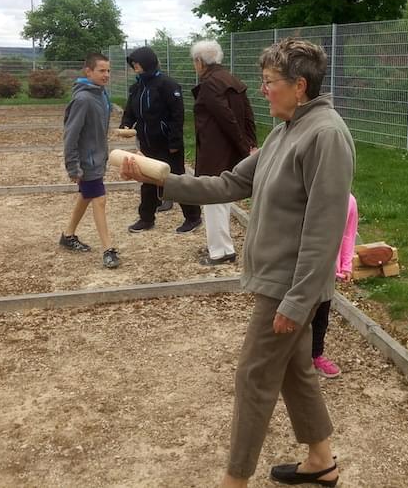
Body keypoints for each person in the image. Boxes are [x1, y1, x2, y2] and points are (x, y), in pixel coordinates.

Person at [121, 39, 353, 487]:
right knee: (295, 370)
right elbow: (230, 183)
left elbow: (325, 228)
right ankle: (321, 460)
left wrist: (298, 300)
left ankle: (235, 479)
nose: (262, 91)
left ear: (299, 86)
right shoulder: (286, 128)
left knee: (253, 376)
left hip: (289, 285)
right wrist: (160, 176)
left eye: (269, 83)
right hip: (282, 280)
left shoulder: (325, 135)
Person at [189, 39, 257, 266]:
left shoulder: (209, 83)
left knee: (213, 198)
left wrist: (243, 145)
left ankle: (220, 251)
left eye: (194, 61)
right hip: (229, 149)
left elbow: (225, 117)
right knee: (222, 198)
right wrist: (250, 143)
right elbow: (248, 114)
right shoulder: (231, 79)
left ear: (200, 62)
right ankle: (222, 245)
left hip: (215, 149)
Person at [120, 46, 202, 234]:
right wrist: (126, 125)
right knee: (147, 180)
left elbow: (177, 115)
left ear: (147, 62)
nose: (135, 66)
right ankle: (146, 218)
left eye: (138, 62)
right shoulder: (136, 87)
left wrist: (174, 142)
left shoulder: (168, 85)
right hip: (147, 143)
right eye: (133, 63)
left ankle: (193, 217)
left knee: (177, 180)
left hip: (167, 144)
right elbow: (130, 112)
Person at [60, 52, 120, 269]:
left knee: (86, 197)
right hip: (87, 163)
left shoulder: (101, 95)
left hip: (97, 159)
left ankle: (68, 236)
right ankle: (108, 249)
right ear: (89, 71)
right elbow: (71, 135)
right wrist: (73, 167)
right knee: (99, 200)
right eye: (101, 71)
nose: (106, 75)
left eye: (108, 70)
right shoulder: (83, 99)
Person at [311, 193, 357, 379]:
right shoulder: (310, 196)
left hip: (328, 272)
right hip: (302, 268)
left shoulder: (349, 201)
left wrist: (346, 265)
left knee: (321, 316)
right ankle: (287, 357)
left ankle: (315, 355)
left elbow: (348, 234)